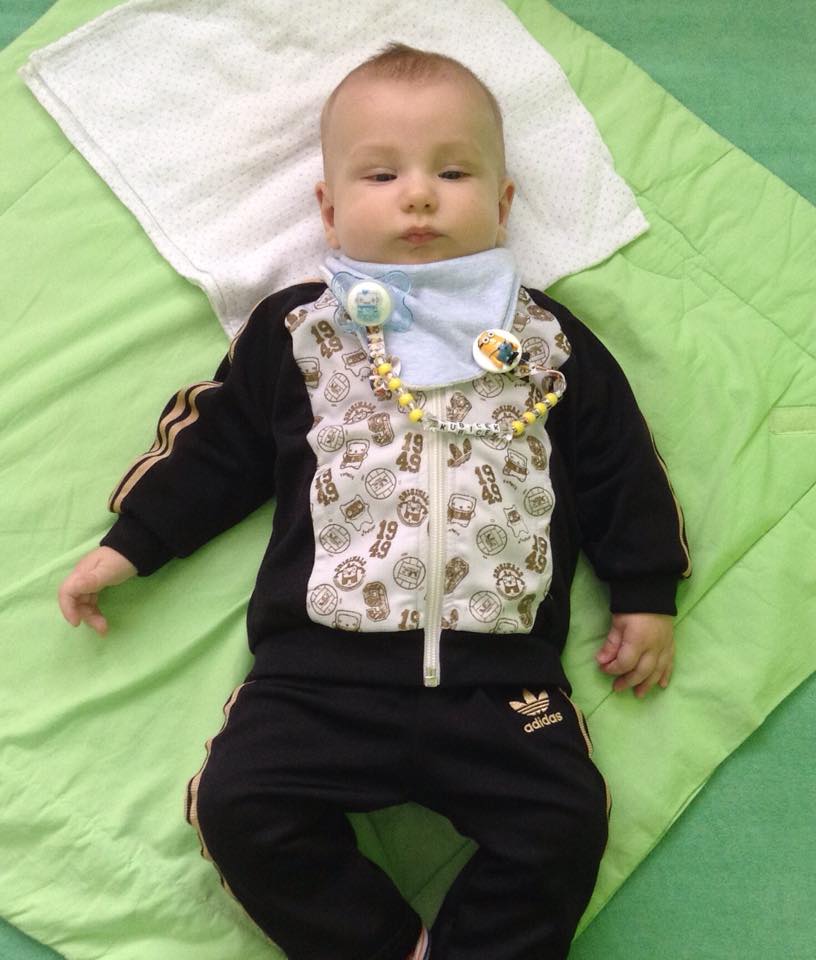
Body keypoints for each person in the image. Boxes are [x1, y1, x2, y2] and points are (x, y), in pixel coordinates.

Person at [58, 43, 690, 960]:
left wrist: (645, 590)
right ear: (329, 208)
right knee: (240, 806)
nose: (419, 196)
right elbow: (218, 446)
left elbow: (620, 464)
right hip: (317, 680)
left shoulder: (548, 344)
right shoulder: (300, 333)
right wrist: (132, 544)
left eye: (454, 172)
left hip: (502, 684)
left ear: (505, 202)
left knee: (566, 823)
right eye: (383, 175)